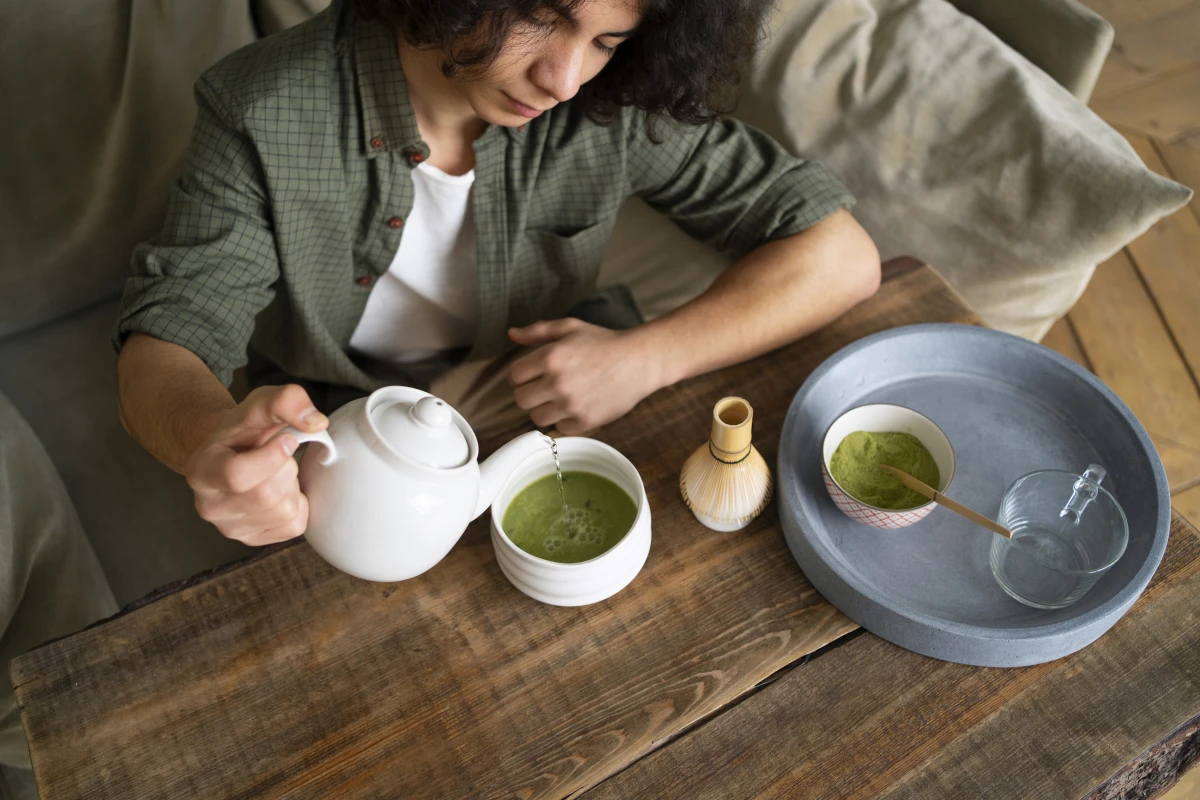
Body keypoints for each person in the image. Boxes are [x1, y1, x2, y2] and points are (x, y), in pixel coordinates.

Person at [114, 0, 881, 550]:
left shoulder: (607, 106)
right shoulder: (263, 107)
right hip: (337, 432)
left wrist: (649, 355)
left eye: (608, 40)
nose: (564, 78)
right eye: (541, 14)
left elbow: (841, 255)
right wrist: (211, 439)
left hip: (541, 386)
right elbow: (171, 335)